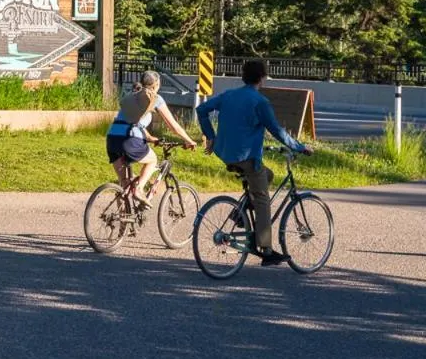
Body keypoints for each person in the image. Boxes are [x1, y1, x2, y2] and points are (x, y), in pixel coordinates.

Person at [197, 57, 312, 266]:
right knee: (262, 198)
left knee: (267, 175)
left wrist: (210, 136)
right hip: (247, 157)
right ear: (262, 78)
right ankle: (266, 250)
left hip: (226, 153)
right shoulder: (260, 102)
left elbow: (201, 110)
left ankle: (239, 212)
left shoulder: (229, 95)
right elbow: (277, 130)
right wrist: (299, 147)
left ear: (243, 76)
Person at [106, 70, 196, 205]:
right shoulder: (155, 98)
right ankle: (139, 189)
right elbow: (173, 126)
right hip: (129, 140)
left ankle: (122, 221)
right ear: (156, 85)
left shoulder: (132, 96)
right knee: (152, 160)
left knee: (123, 184)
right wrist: (189, 140)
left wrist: (149, 137)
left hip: (112, 139)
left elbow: (134, 123)